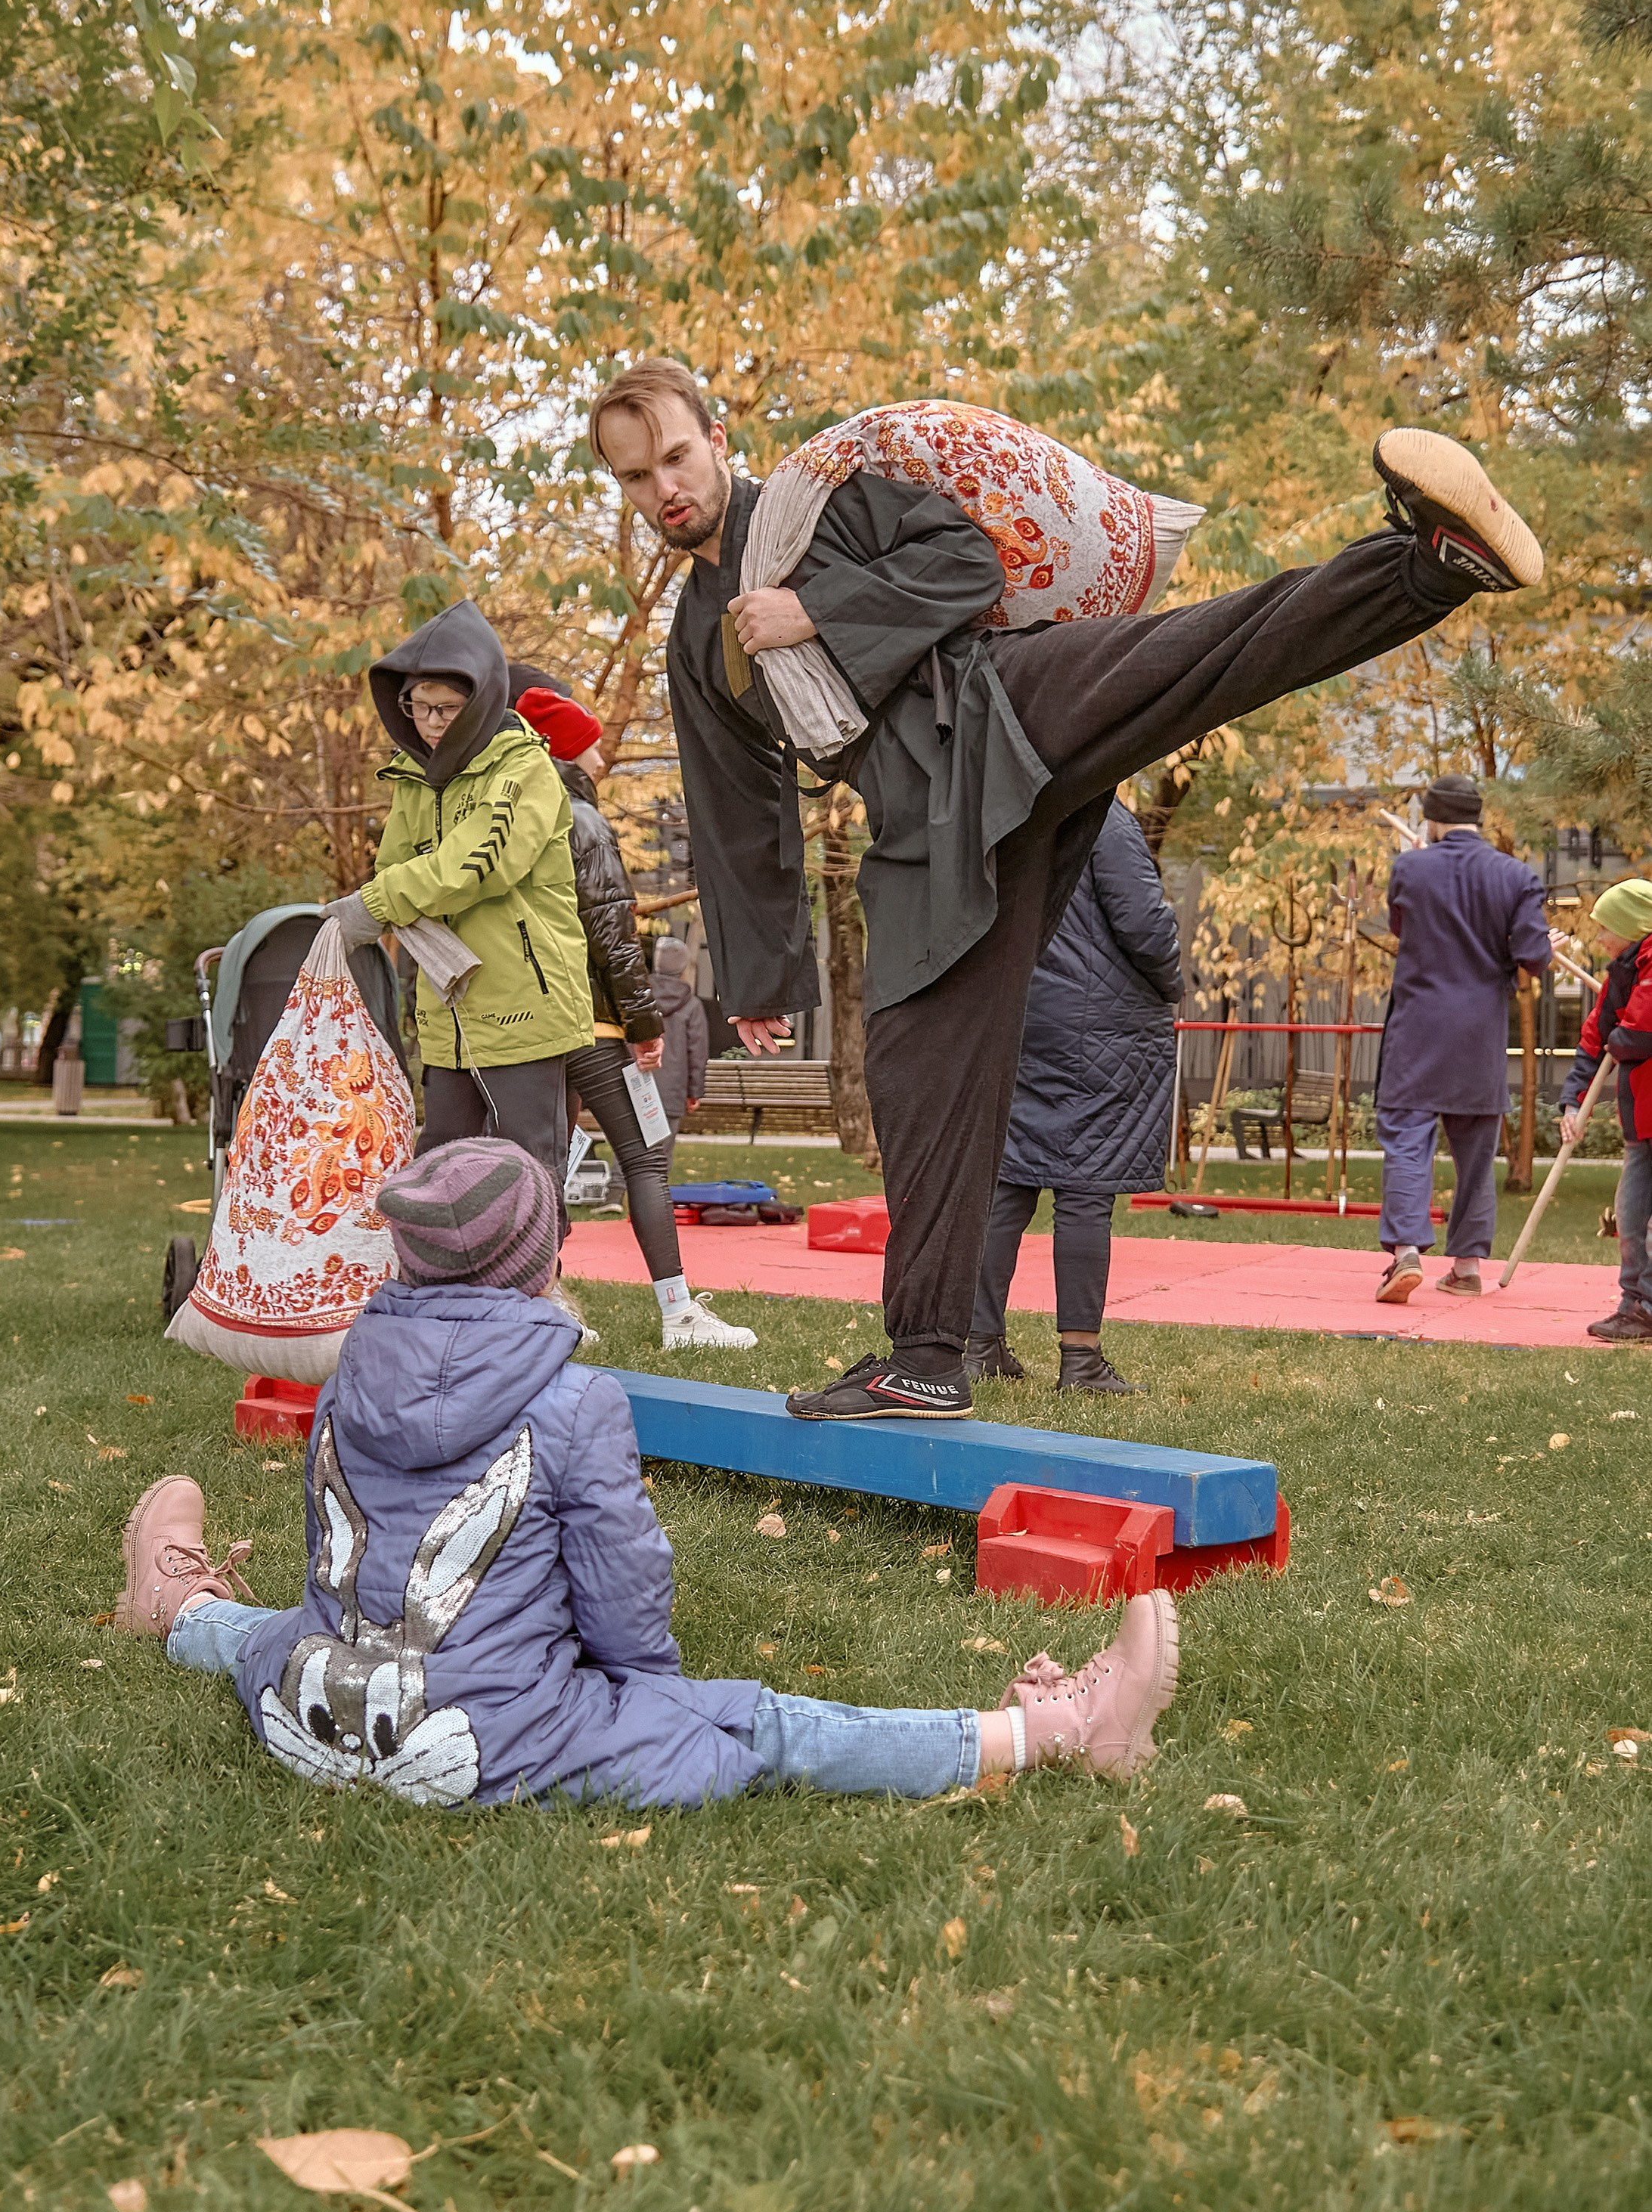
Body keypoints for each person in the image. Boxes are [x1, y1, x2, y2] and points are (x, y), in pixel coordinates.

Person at [587, 358, 1546, 1419]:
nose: (663, 488)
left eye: (675, 456)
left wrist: (812, 610)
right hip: (925, 831)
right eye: (634, 477)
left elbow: (961, 563)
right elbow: (735, 807)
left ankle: (1426, 566)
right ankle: (927, 1358)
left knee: (1198, 653)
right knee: (916, 1077)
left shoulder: (820, 504)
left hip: (1001, 703)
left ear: (717, 438)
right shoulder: (697, 639)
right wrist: (760, 977)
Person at [113, 1137, 1180, 1803]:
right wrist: (656, 1702)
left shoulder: (347, 1378)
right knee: (759, 1724)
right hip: (482, 1742)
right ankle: (1052, 1732)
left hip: (310, 1712)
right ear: (544, 1264)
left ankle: (176, 1608)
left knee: (267, 1633)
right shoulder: (574, 1402)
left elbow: (342, 1567)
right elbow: (623, 1603)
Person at [507, 667, 755, 1352]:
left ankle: (543, 1306)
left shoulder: (512, 817)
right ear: (564, 749)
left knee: (543, 1163)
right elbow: (613, 935)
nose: (602, 756)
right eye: (590, 743)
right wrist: (644, 1026)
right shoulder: (582, 819)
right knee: (644, 1159)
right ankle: (679, 1316)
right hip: (590, 1021)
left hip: (525, 1022)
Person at [321, 600, 591, 1191]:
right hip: (447, 1012)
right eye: (418, 708)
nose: (431, 722)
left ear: (483, 699)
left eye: (446, 708)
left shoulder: (524, 768)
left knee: (527, 1173)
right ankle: (436, 1260)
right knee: (439, 1173)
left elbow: (475, 865)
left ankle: (537, 1259)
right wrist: (387, 897)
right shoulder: (413, 778)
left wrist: (377, 904)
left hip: (524, 1008)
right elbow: (394, 868)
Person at [967, 798, 1182, 1395]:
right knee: (1086, 1185)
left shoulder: (1003, 806)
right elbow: (1143, 922)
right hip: (1103, 1022)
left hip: (1018, 1011)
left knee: (1007, 1180)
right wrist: (1171, 983)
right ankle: (1080, 1358)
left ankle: (978, 1343)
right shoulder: (1102, 813)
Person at [1372, 774, 1552, 1304]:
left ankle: (1406, 1251)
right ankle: (1467, 1267)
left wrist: (1419, 869)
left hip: (1418, 1027)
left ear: (1431, 819)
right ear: (1477, 817)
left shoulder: (1410, 868)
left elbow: (1401, 928)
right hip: (1480, 1032)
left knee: (1406, 1138)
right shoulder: (1515, 875)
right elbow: (1533, 958)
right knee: (1475, 1150)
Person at [1557, 878, 1652, 1344]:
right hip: (1642, 1119)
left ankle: (1648, 1308)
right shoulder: (1622, 973)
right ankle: (1633, 1305)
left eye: (1604, 927)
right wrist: (1573, 1102)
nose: (1598, 937)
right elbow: (1597, 1039)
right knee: (1631, 1217)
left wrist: (1619, 1033)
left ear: (1631, 926)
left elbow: (1638, 1035)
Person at [647, 938, 713, 1137]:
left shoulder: (638, 999)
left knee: (630, 1151)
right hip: (673, 1090)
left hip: (636, 1089)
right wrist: (694, 1092)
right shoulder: (691, 1006)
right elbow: (697, 1053)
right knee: (663, 1151)